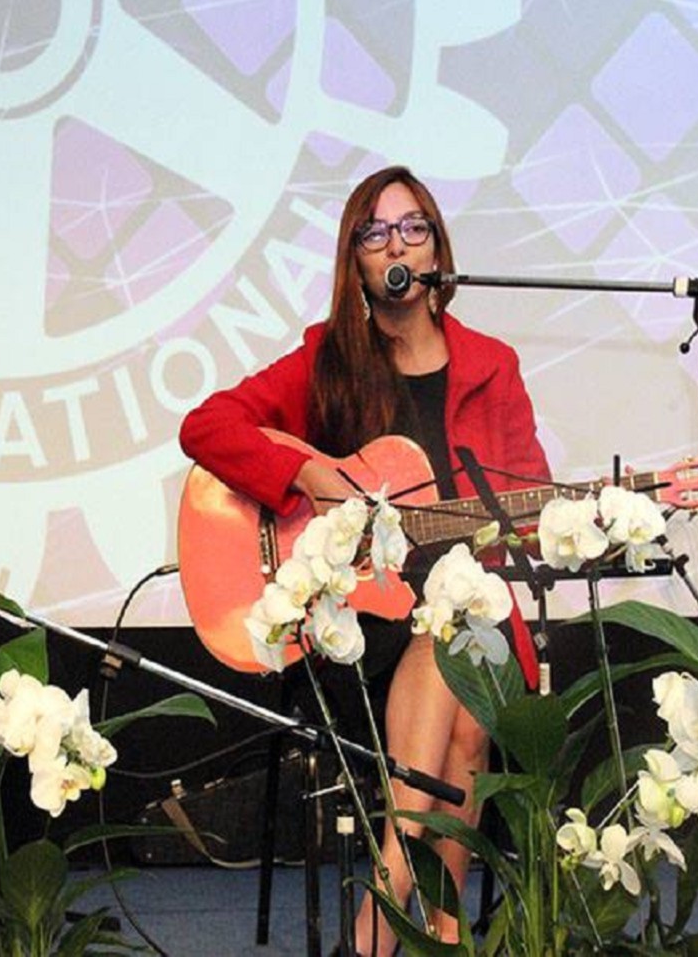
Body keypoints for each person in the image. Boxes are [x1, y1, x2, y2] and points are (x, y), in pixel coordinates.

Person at [179, 165, 550, 952]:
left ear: (437, 250)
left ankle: (394, 919)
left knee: (461, 651)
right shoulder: (329, 361)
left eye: (413, 228)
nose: (396, 244)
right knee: (454, 669)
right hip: (355, 634)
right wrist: (303, 474)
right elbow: (205, 427)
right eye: (375, 232)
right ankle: (421, 928)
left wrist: (569, 519)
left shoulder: (492, 365)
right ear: (355, 259)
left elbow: (531, 501)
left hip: (465, 623)